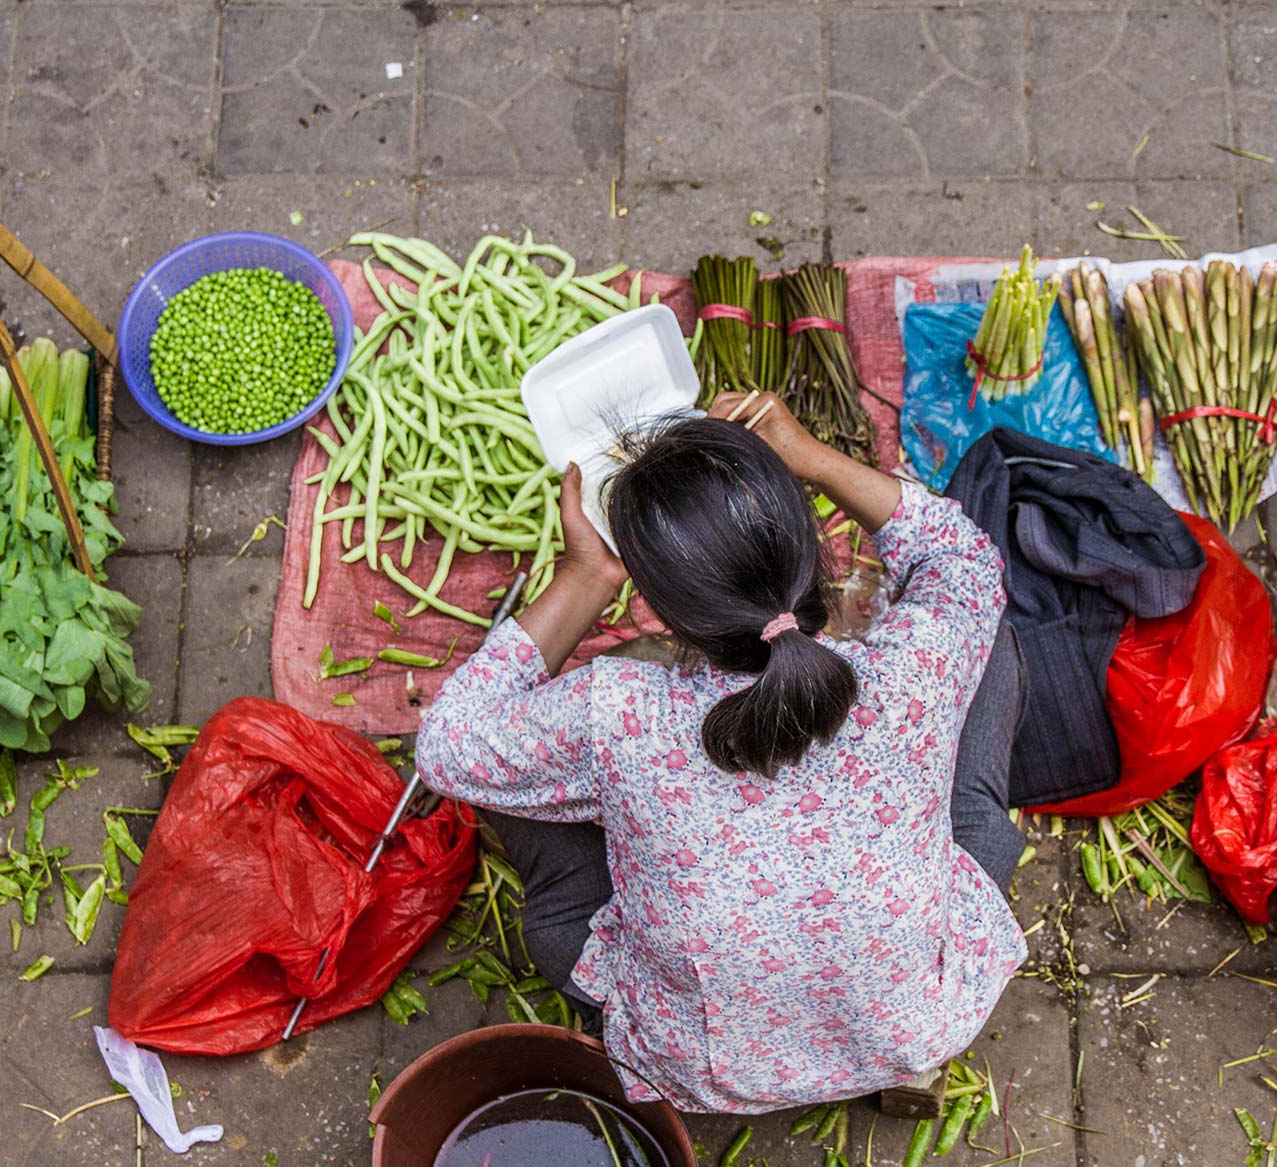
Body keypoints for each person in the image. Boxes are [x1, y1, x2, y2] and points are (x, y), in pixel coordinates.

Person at [415, 394, 1026, 1115]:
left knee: (515, 783)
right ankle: (898, 1071)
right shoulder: (908, 673)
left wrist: (585, 577)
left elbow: (449, 743)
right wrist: (814, 459)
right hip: (910, 1020)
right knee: (990, 645)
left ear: (654, 610)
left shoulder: (617, 713)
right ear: (813, 547)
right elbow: (966, 562)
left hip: (708, 1067)